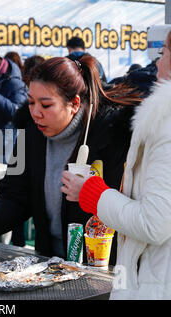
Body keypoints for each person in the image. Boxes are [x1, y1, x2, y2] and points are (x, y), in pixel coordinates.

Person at [0, 55, 141, 262]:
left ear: (74, 103)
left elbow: (126, 209)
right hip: (50, 261)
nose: (36, 113)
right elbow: (15, 193)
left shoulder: (113, 136)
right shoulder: (31, 133)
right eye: (30, 102)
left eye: (46, 105)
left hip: (100, 264)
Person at [61, 30, 171, 300]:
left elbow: (154, 224)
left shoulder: (165, 124)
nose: (157, 62)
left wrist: (92, 193)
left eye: (163, 53)